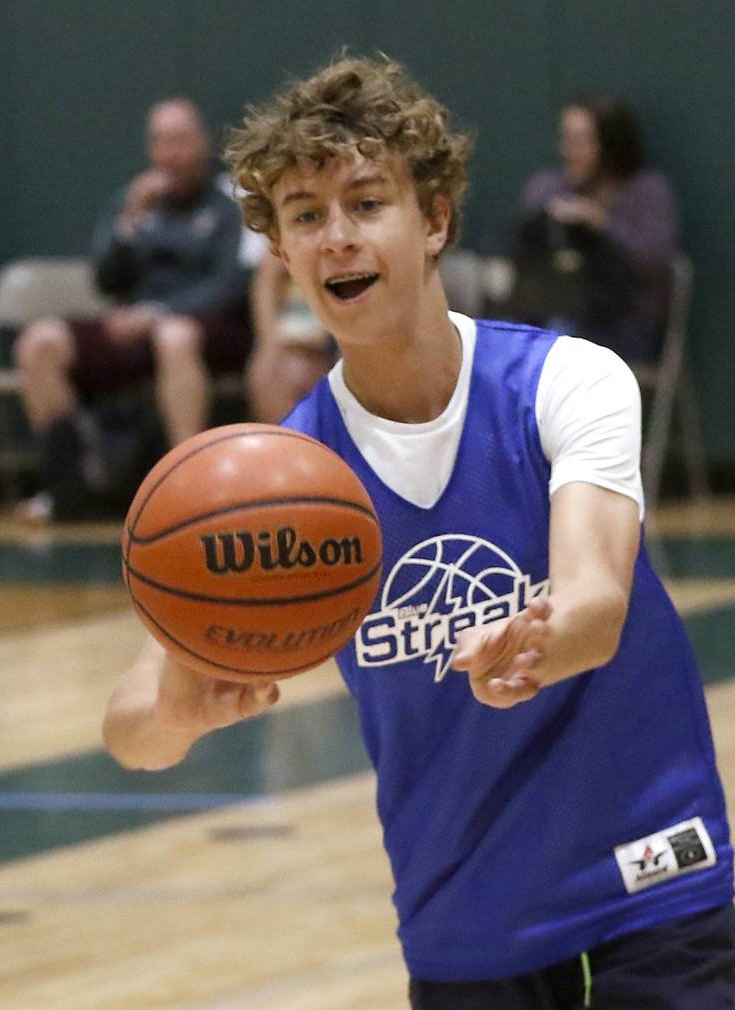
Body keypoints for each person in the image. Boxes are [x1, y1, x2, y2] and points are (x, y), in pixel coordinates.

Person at [102, 56, 734, 1008]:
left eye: (366, 202)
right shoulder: (280, 480)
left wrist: (538, 642)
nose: (337, 236)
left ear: (433, 220)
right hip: (461, 920)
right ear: (281, 251)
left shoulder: (567, 381)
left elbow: (597, 602)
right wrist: (176, 716)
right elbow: (129, 728)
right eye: (306, 215)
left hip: (651, 879)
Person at [14, 97, 253, 521]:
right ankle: (68, 489)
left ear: (202, 143)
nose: (170, 153)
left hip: (207, 330)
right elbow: (105, 280)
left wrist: (159, 313)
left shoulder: (228, 200)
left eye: (180, 140)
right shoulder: (135, 201)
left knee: (174, 336)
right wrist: (127, 224)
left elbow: (231, 284)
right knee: (40, 343)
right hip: (134, 328)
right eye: (160, 141)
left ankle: (190, 491)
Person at [509, 97, 678, 363]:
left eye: (580, 141)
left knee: (559, 342)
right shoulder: (552, 187)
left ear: (611, 145)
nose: (568, 151)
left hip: (624, 320)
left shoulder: (647, 191)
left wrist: (601, 223)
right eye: (565, 139)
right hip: (553, 308)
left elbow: (655, 261)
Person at [246, 246, 336, 423]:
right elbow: (265, 286)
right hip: (289, 337)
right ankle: (283, 443)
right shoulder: (279, 242)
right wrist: (270, 346)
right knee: (273, 371)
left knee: (302, 370)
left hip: (332, 340)